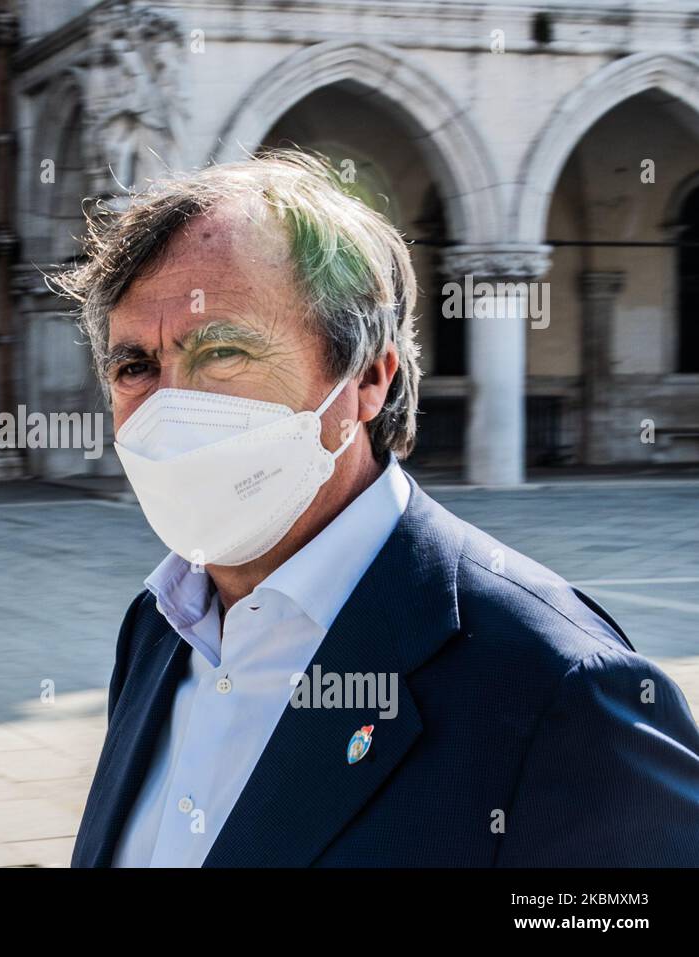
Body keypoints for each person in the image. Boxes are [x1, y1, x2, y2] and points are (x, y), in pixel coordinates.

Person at [50, 149, 699, 867]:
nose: (172, 404)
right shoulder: (157, 627)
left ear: (366, 378)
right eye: (135, 366)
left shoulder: (556, 685)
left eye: (224, 350)